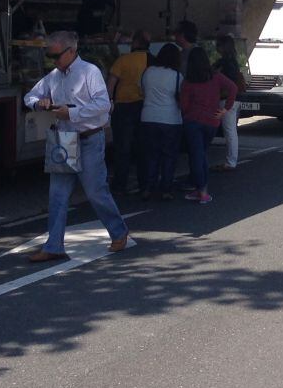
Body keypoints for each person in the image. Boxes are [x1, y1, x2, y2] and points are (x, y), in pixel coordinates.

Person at [23, 31, 130, 261]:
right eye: (51, 56)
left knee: (95, 191)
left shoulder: (89, 72)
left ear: (71, 51)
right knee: (58, 195)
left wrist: (71, 113)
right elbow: (29, 96)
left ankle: (119, 231)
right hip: (64, 140)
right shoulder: (53, 76)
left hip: (89, 137)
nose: (54, 61)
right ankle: (53, 246)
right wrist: (39, 103)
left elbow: (102, 105)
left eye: (56, 55)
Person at [180, 48, 238, 205]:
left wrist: (187, 114)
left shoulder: (188, 82)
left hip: (193, 121)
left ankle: (201, 190)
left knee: (196, 155)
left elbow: (184, 105)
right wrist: (226, 108)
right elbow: (233, 87)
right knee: (203, 153)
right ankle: (202, 190)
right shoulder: (216, 77)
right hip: (212, 121)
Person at [107, 31, 150, 192]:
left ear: (135, 44)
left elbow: (111, 84)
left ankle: (120, 183)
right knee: (142, 147)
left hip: (124, 106)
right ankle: (144, 182)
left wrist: (108, 103)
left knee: (122, 147)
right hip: (144, 106)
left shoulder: (123, 60)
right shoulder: (152, 60)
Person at [140, 43, 184, 200]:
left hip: (148, 117)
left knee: (151, 154)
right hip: (170, 119)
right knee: (169, 155)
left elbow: (143, 91)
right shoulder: (177, 76)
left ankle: (147, 187)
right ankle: (166, 188)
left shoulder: (148, 72)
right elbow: (180, 98)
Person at [212, 35, 246, 173]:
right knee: (231, 130)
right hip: (235, 98)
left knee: (229, 131)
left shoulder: (223, 63)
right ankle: (231, 160)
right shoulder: (234, 61)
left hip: (227, 99)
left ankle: (231, 161)